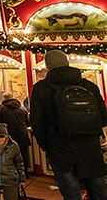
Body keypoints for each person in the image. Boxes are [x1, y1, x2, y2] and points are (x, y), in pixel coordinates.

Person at [30, 50, 107, 200]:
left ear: (48, 66)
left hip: (60, 148)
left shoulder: (41, 89)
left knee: (71, 192)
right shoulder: (89, 86)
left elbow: (37, 123)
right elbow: (103, 117)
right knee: (98, 189)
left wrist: (48, 146)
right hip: (90, 148)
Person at [0, 93, 30, 175]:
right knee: (23, 154)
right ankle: (25, 173)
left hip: (9, 135)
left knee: (11, 155)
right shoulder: (22, 108)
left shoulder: (1, 108)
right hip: (22, 135)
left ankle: (13, 173)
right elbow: (28, 122)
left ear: (4, 98)